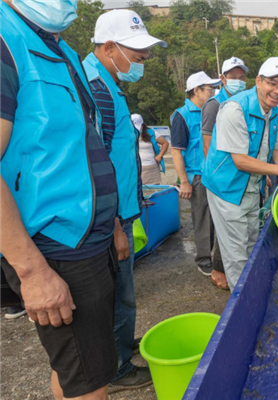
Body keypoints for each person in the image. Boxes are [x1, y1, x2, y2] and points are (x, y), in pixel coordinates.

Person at [1, 1, 120, 398]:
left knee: (81, 371)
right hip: (55, 245)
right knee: (89, 383)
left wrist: (113, 223)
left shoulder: (60, 47)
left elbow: (82, 147)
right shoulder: (6, 39)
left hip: (88, 238)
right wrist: (32, 271)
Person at [83, 8, 167, 391]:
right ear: (110, 46)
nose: (142, 63)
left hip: (122, 212)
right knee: (118, 295)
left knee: (123, 293)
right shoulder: (95, 90)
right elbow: (94, 164)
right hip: (107, 221)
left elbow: (119, 157)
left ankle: (120, 344)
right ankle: (116, 368)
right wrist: (115, 225)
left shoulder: (109, 85)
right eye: (137, 57)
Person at [203, 57, 278, 291]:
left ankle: (249, 289)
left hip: (252, 186)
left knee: (250, 243)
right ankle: (241, 304)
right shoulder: (234, 108)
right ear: (258, 81)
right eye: (272, 83)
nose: (277, 91)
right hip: (227, 188)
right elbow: (239, 161)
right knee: (236, 253)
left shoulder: (276, 112)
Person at [201, 57, 248, 290]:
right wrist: (219, 178)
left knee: (236, 232)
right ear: (222, 78)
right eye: (233, 77)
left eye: (242, 78)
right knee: (224, 230)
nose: (238, 81)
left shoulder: (244, 103)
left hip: (240, 175)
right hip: (222, 179)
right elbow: (209, 146)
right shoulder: (214, 105)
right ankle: (218, 269)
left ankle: (226, 270)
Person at [171, 71, 221, 282]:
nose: (213, 92)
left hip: (214, 174)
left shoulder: (211, 111)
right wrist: (184, 181)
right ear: (197, 90)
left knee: (217, 219)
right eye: (209, 89)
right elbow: (176, 150)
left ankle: (217, 256)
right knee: (202, 220)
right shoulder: (182, 115)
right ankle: (204, 260)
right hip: (197, 176)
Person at [132, 114, 169, 185]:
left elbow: (165, 143)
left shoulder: (152, 133)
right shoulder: (129, 133)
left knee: (153, 191)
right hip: (135, 168)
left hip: (151, 168)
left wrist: (159, 156)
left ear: (142, 124)